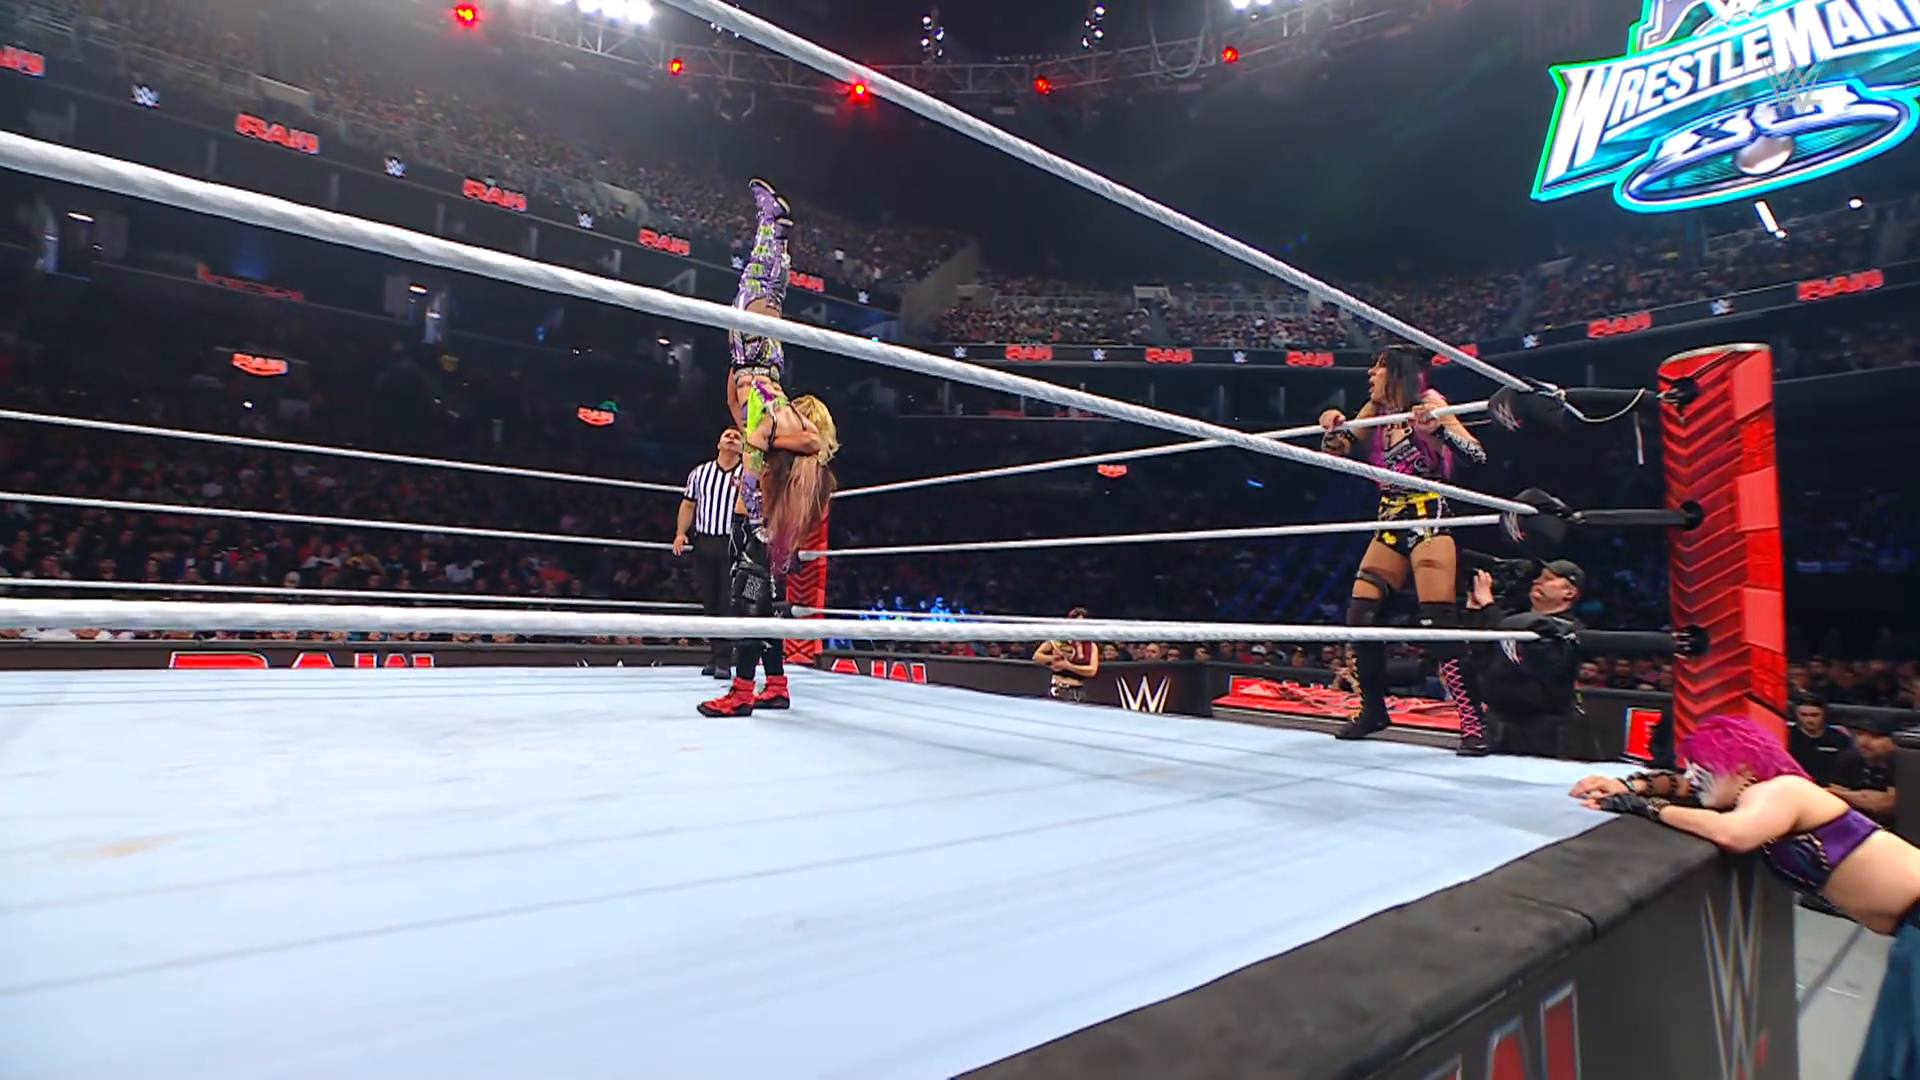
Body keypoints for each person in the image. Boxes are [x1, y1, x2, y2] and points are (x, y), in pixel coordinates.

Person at [1572, 714, 1920, 1079]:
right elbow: (1684, 785)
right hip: (1909, 929)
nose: (1692, 776)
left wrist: (1643, 806)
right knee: (1892, 1061)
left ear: (1741, 768)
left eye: (1703, 767)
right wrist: (1629, 786)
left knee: (1895, 1061)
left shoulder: (1783, 790)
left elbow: (1732, 833)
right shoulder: (1757, 795)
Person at [1318, 345, 1487, 750]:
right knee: (1360, 615)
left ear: (1396, 372)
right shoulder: (1376, 409)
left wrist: (1438, 430)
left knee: (1439, 623)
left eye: (1377, 368)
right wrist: (1331, 424)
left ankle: (1473, 723)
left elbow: (1477, 455)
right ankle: (1373, 709)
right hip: (1390, 520)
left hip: (1429, 518)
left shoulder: (1430, 402)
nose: (1370, 375)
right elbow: (1336, 450)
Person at [1458, 560, 1594, 759]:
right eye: (1539, 577)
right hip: (1499, 726)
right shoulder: (1511, 618)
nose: (1538, 581)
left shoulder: (1570, 629)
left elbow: (1534, 661)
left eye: (1549, 579)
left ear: (1569, 593)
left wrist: (1488, 606)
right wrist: (1475, 612)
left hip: (1545, 730)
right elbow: (1480, 657)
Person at [674, 426, 743, 678]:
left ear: (742, 447)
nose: (732, 437)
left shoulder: (748, 474)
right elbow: (688, 504)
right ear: (718, 443)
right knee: (710, 601)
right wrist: (680, 533)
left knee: (727, 602)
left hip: (733, 544)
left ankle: (724, 660)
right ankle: (714, 656)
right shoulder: (700, 473)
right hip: (704, 541)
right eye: (727, 435)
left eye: (737, 436)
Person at [1832, 714, 1899, 825]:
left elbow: (1888, 805)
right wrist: (1866, 797)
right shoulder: (1849, 758)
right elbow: (1835, 799)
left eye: (1874, 737)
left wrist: (1842, 794)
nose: (1863, 742)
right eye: (1859, 734)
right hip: (1855, 823)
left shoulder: (1903, 763)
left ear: (1893, 742)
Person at [1033, 607, 1099, 702]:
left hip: (1078, 690)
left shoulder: (1092, 646)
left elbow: (1092, 671)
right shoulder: (1060, 641)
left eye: (1083, 624)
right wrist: (1053, 657)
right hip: (1058, 687)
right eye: (1077, 624)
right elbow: (1036, 656)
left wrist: (1068, 666)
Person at [1788, 696, 1854, 786]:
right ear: (1796, 715)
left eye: (1815, 715)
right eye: (1804, 715)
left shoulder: (1839, 739)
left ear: (1824, 714)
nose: (1809, 720)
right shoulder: (1786, 736)